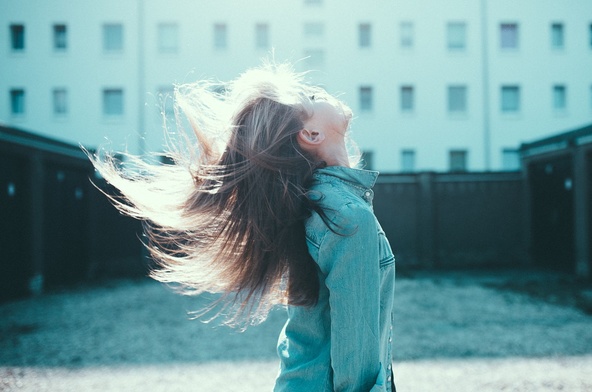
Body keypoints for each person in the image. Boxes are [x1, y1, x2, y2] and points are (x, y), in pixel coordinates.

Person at [90, 62, 396, 391]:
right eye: (310, 97)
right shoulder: (347, 217)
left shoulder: (315, 207)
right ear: (311, 134)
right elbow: (358, 368)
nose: (320, 92)